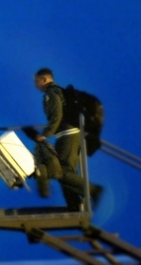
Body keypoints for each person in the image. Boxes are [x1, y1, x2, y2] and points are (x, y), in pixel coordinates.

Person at [33, 67, 102, 211]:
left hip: (68, 134)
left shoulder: (52, 93)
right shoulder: (59, 91)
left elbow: (56, 115)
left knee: (61, 171)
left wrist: (45, 133)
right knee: (64, 171)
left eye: (37, 81)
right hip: (69, 134)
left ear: (44, 79)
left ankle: (93, 190)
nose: (35, 85)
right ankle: (74, 205)